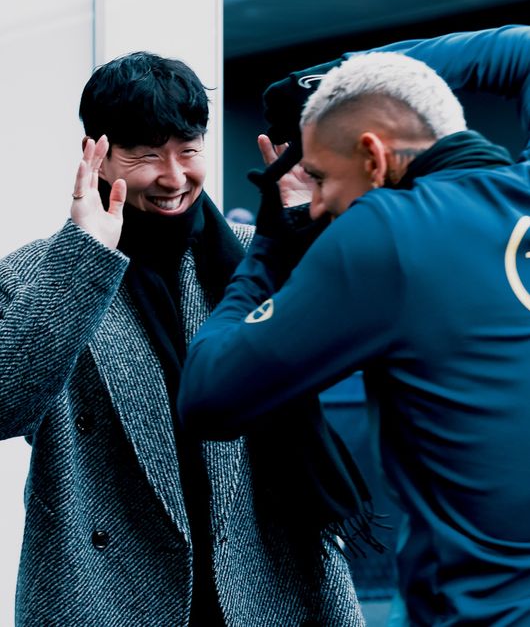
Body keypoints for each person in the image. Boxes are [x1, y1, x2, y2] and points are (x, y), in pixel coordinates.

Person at [178, 25, 530, 625]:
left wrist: (272, 242)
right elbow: (519, 49)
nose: (316, 204)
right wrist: (326, 80)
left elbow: (206, 398)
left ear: (373, 156)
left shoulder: (389, 232)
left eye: (319, 177)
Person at [0, 51, 365, 626]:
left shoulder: (254, 250)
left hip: (264, 577)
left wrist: (303, 230)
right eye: (147, 155)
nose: (174, 177)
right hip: (107, 592)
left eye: (189, 151)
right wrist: (84, 258)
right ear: (96, 153)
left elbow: (348, 349)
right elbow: (6, 407)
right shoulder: (39, 273)